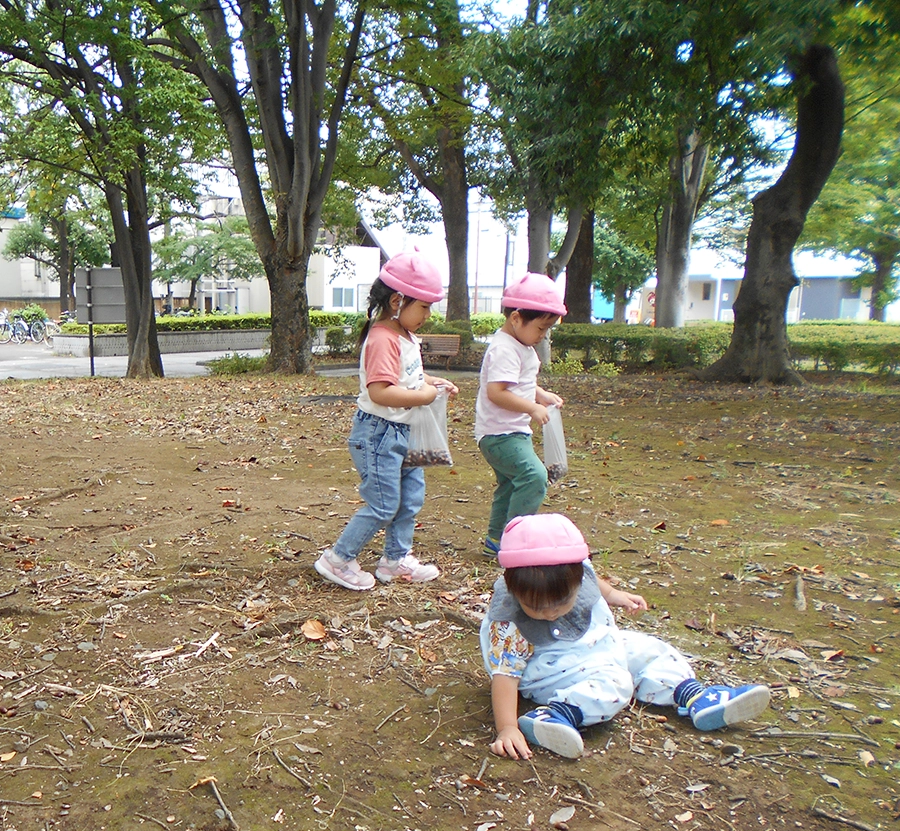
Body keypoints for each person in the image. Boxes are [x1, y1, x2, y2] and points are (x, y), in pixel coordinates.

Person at [483, 514, 770, 759]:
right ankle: (557, 714)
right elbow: (504, 675)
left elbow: (595, 582)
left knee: (651, 648)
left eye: (561, 604)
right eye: (536, 607)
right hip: (553, 670)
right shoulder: (509, 621)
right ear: (512, 587)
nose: (550, 613)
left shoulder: (579, 571)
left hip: (599, 646)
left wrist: (616, 596)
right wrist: (507, 727)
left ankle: (693, 695)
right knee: (616, 683)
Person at [314, 250, 459, 590]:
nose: (428, 314)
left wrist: (431, 384)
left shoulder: (404, 337)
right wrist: (423, 396)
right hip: (379, 434)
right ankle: (338, 559)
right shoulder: (382, 338)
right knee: (383, 504)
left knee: (410, 498)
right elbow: (380, 391)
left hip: (405, 431)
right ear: (398, 300)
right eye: (423, 306)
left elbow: (405, 380)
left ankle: (395, 560)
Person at [474, 272, 566, 558]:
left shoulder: (520, 345)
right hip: (500, 434)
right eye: (540, 328)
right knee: (534, 477)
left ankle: (496, 540)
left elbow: (519, 381)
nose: (542, 336)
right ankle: (515, 542)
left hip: (512, 432)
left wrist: (539, 394)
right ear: (516, 318)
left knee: (510, 484)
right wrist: (532, 407)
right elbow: (497, 392)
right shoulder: (504, 348)